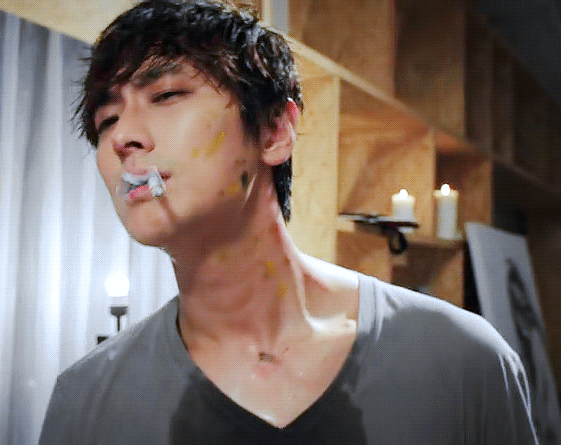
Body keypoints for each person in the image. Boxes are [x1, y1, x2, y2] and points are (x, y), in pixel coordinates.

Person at [40, 0, 538, 443]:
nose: (121, 137)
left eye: (167, 95)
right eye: (106, 120)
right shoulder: (85, 400)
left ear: (275, 131)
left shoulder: (461, 362)